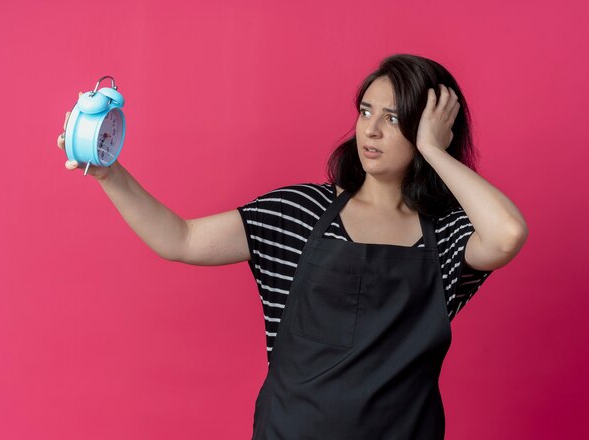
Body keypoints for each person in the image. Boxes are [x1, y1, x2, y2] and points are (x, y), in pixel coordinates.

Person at [57, 53, 528, 439]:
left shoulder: (447, 238)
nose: (372, 131)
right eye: (365, 112)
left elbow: (507, 234)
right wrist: (107, 173)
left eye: (394, 118)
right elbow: (181, 239)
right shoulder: (298, 213)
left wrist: (434, 151)